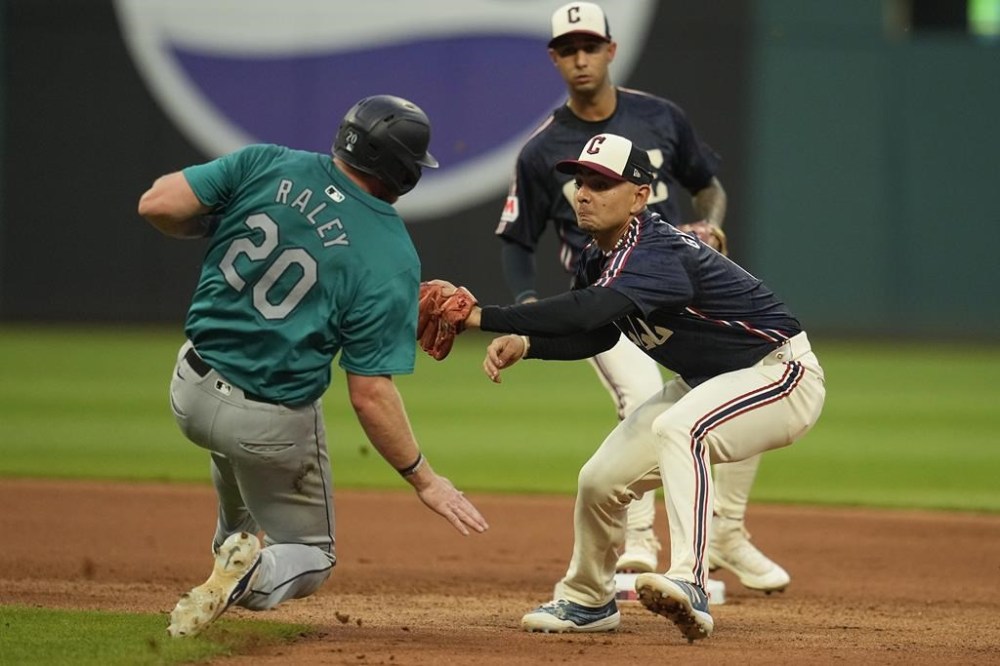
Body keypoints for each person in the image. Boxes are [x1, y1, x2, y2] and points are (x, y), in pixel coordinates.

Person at [439, 133, 825, 640]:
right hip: (709, 380)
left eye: (602, 183)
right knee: (600, 480)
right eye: (581, 182)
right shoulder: (599, 253)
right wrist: (528, 344)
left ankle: (690, 580)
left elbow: (591, 310)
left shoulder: (656, 249)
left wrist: (480, 317)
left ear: (640, 195)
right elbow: (596, 331)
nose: (584, 193)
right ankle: (587, 600)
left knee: (681, 428)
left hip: (779, 374)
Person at [137, 94, 489, 638]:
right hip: (267, 424)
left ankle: (230, 547)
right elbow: (370, 394)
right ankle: (249, 571)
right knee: (312, 555)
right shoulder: (390, 254)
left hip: (189, 389)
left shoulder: (265, 162)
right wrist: (424, 479)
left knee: (233, 457)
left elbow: (157, 205)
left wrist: (218, 226)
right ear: (402, 171)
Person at [494, 1, 787, 593]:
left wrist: (711, 225)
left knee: (736, 375)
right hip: (606, 298)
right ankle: (639, 542)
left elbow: (707, 189)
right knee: (642, 396)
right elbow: (516, 238)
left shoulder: (660, 116)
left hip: (669, 291)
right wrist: (525, 307)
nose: (581, 58)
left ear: (611, 49)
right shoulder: (541, 149)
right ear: (555, 59)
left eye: (590, 46)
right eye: (568, 49)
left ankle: (727, 531)